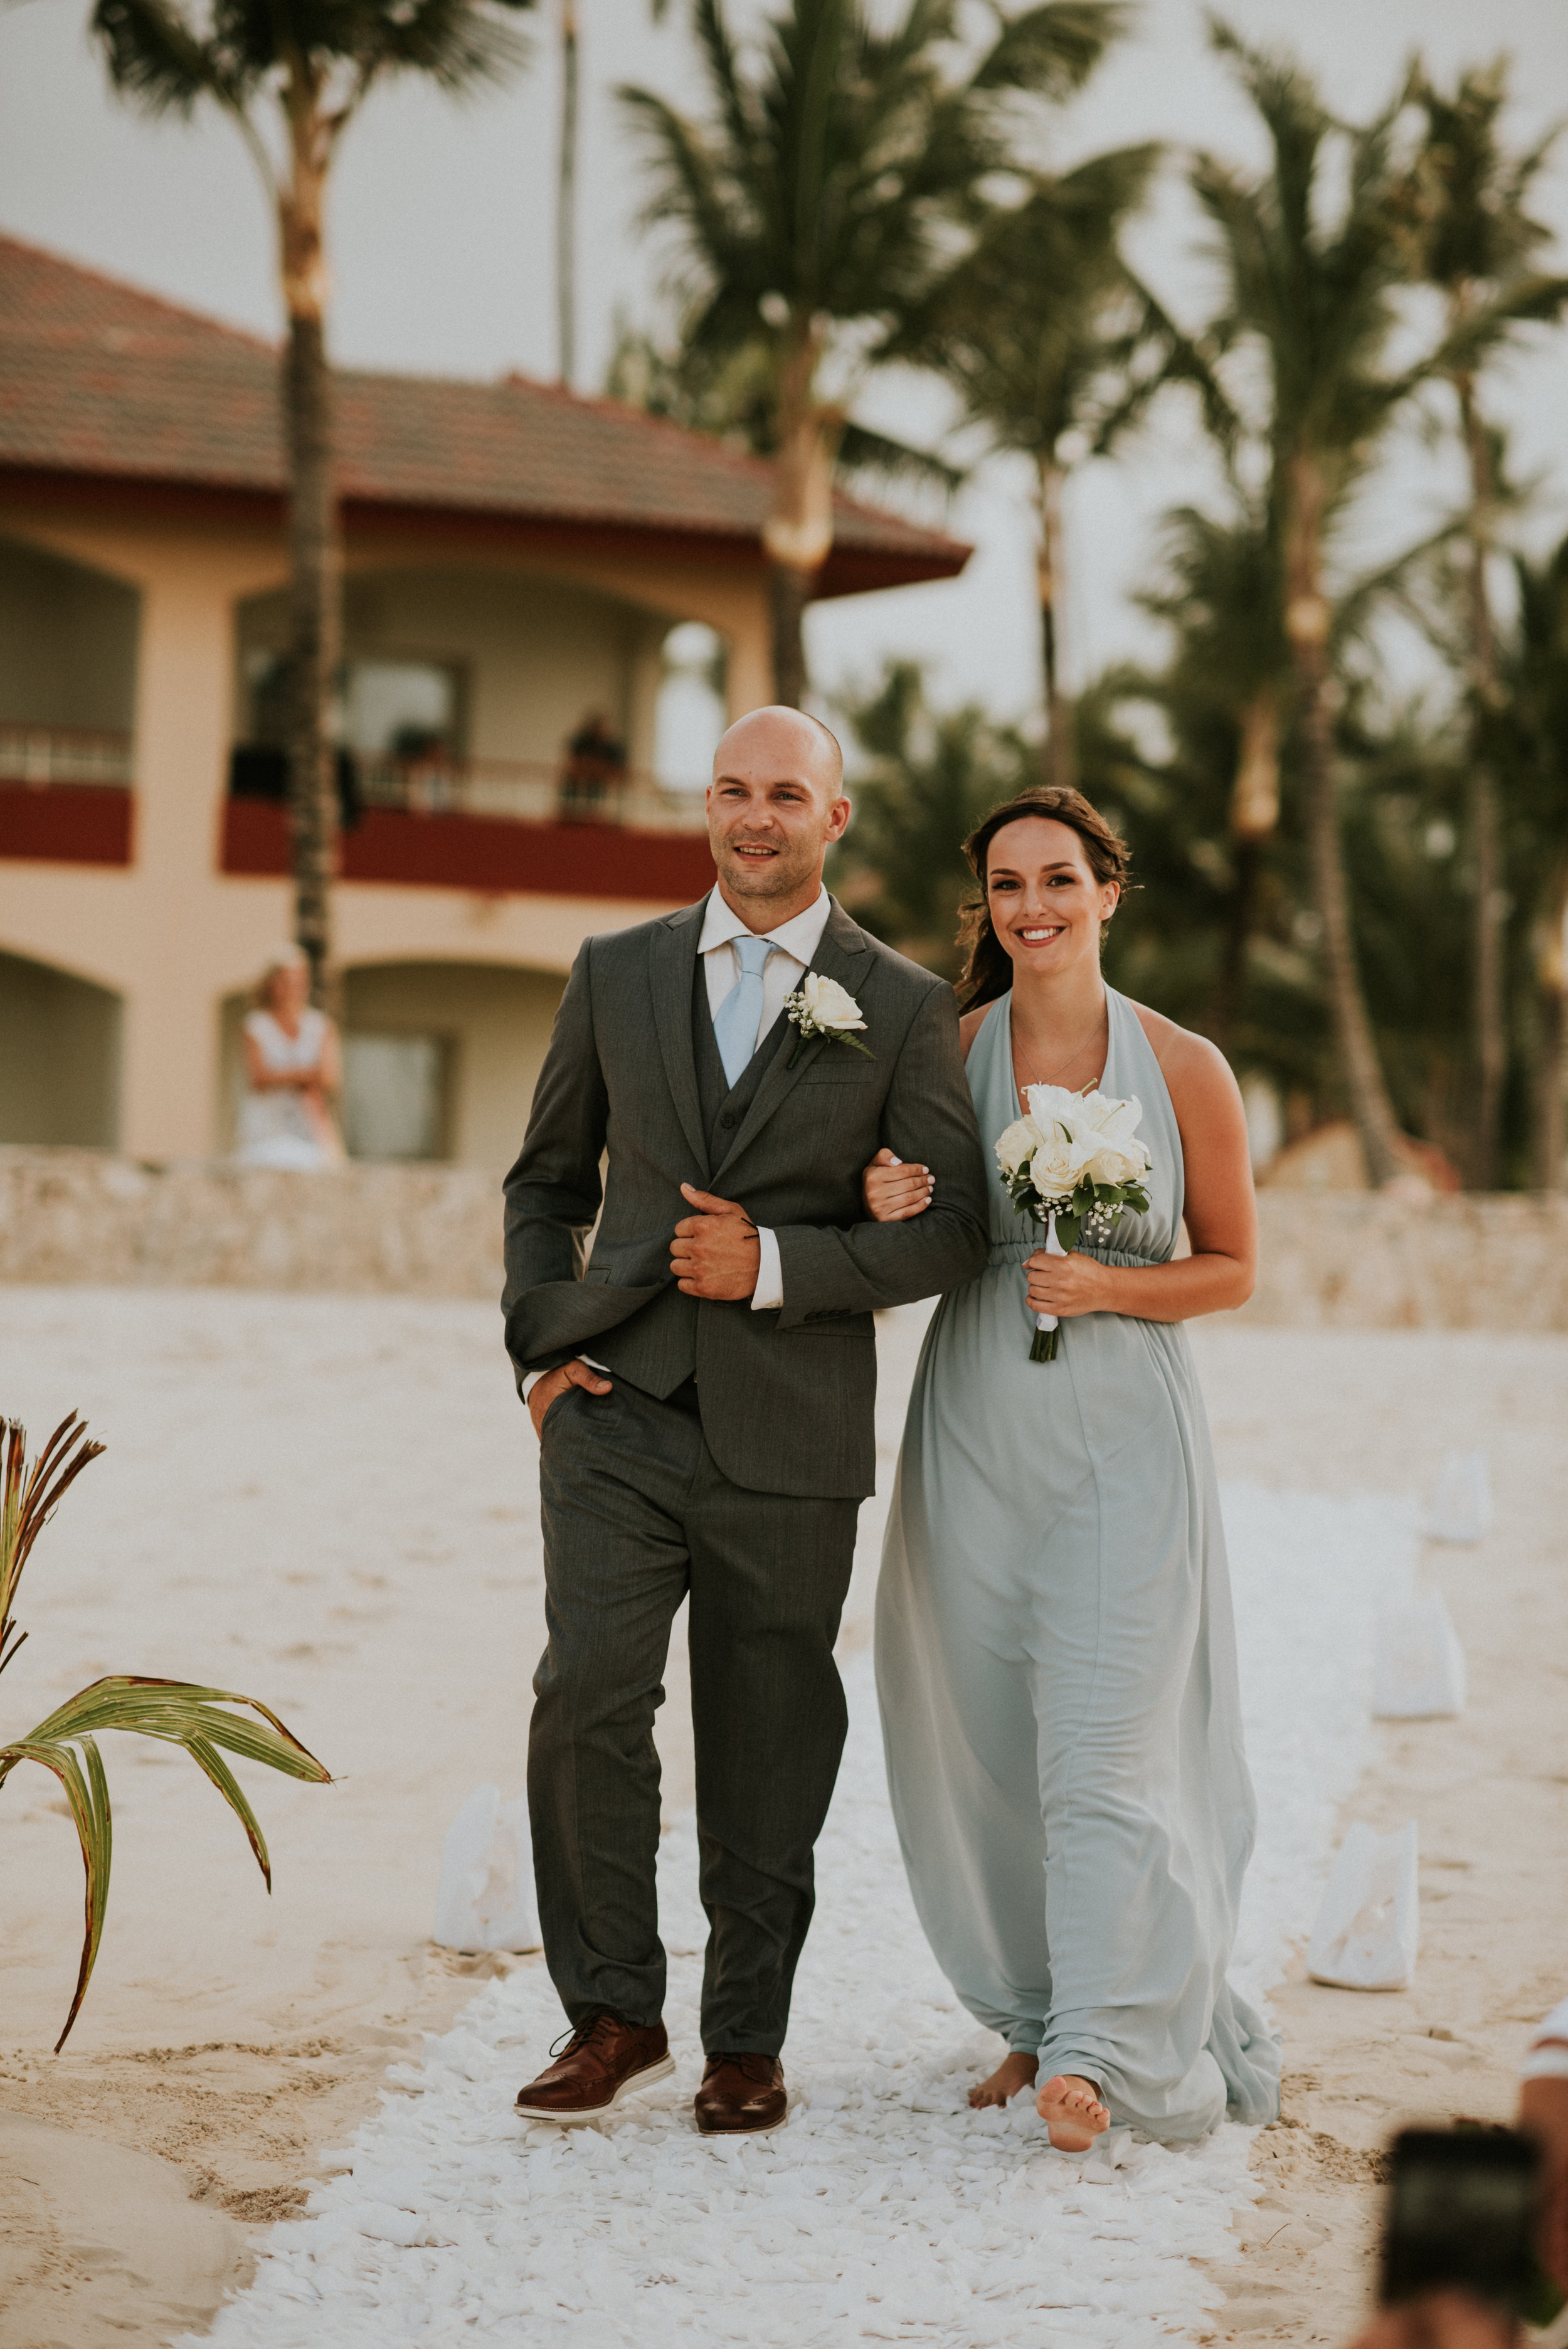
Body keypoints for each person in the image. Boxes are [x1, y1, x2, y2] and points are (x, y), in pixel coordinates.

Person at [502, 706, 991, 2136]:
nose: (755, 815)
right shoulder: (613, 973)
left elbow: (953, 1229)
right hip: (614, 1412)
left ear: (835, 818)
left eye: (786, 792)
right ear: (704, 810)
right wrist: (541, 1343)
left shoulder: (896, 1005)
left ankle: (745, 2038)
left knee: (770, 1726)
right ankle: (610, 2013)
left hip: (792, 1426)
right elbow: (545, 1182)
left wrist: (779, 1264)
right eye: (732, 790)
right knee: (587, 1687)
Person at [865, 785, 1280, 2149]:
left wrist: (1106, 1282)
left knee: (1102, 1750)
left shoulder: (1185, 1068)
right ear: (984, 907)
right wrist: (887, 1198)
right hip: (976, 1425)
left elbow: (1229, 1268)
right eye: (1004, 887)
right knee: (986, 1735)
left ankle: (1098, 2052)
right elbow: (895, 1233)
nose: (1030, 907)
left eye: (1057, 880)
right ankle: (1034, 2018)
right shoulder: (947, 1047)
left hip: (1123, 1441)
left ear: (1108, 891)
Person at [234, 946, 344, 1170]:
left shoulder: (319, 1025)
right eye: (286, 980)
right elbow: (259, 1079)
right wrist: (306, 1075)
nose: (293, 987)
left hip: (310, 1128)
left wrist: (284, 1076)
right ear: (271, 983)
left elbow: (330, 1078)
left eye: (298, 980)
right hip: (265, 1130)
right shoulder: (256, 1024)